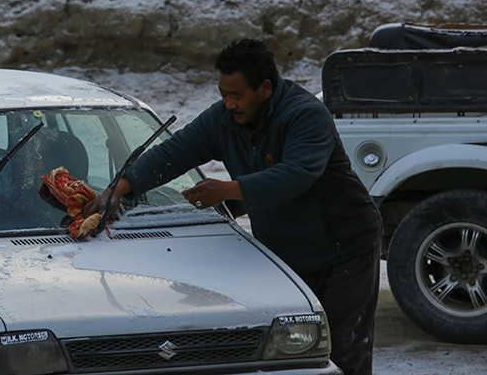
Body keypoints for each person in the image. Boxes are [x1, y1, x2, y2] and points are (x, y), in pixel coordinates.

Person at [84, 38, 383, 375]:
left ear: (265, 88)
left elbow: (298, 174)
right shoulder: (223, 119)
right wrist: (121, 187)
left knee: (342, 353)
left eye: (236, 95)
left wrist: (229, 190)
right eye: (223, 94)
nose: (228, 104)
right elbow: (174, 152)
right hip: (287, 252)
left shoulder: (305, 115)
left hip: (343, 248)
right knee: (290, 354)